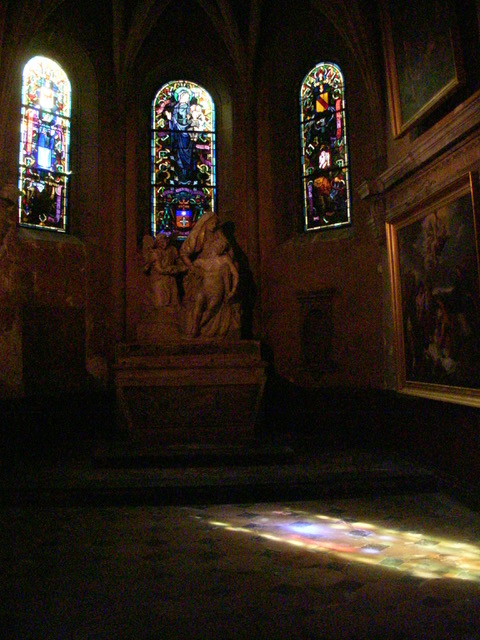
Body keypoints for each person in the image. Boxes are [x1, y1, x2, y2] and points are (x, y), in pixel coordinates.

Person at [142, 232, 182, 309]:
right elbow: (159, 269)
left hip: (170, 279)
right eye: (160, 242)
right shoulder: (155, 253)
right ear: (157, 243)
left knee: (174, 302)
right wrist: (170, 269)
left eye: (164, 241)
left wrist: (178, 268)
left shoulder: (172, 250)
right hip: (159, 279)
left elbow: (179, 262)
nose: (163, 244)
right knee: (160, 303)